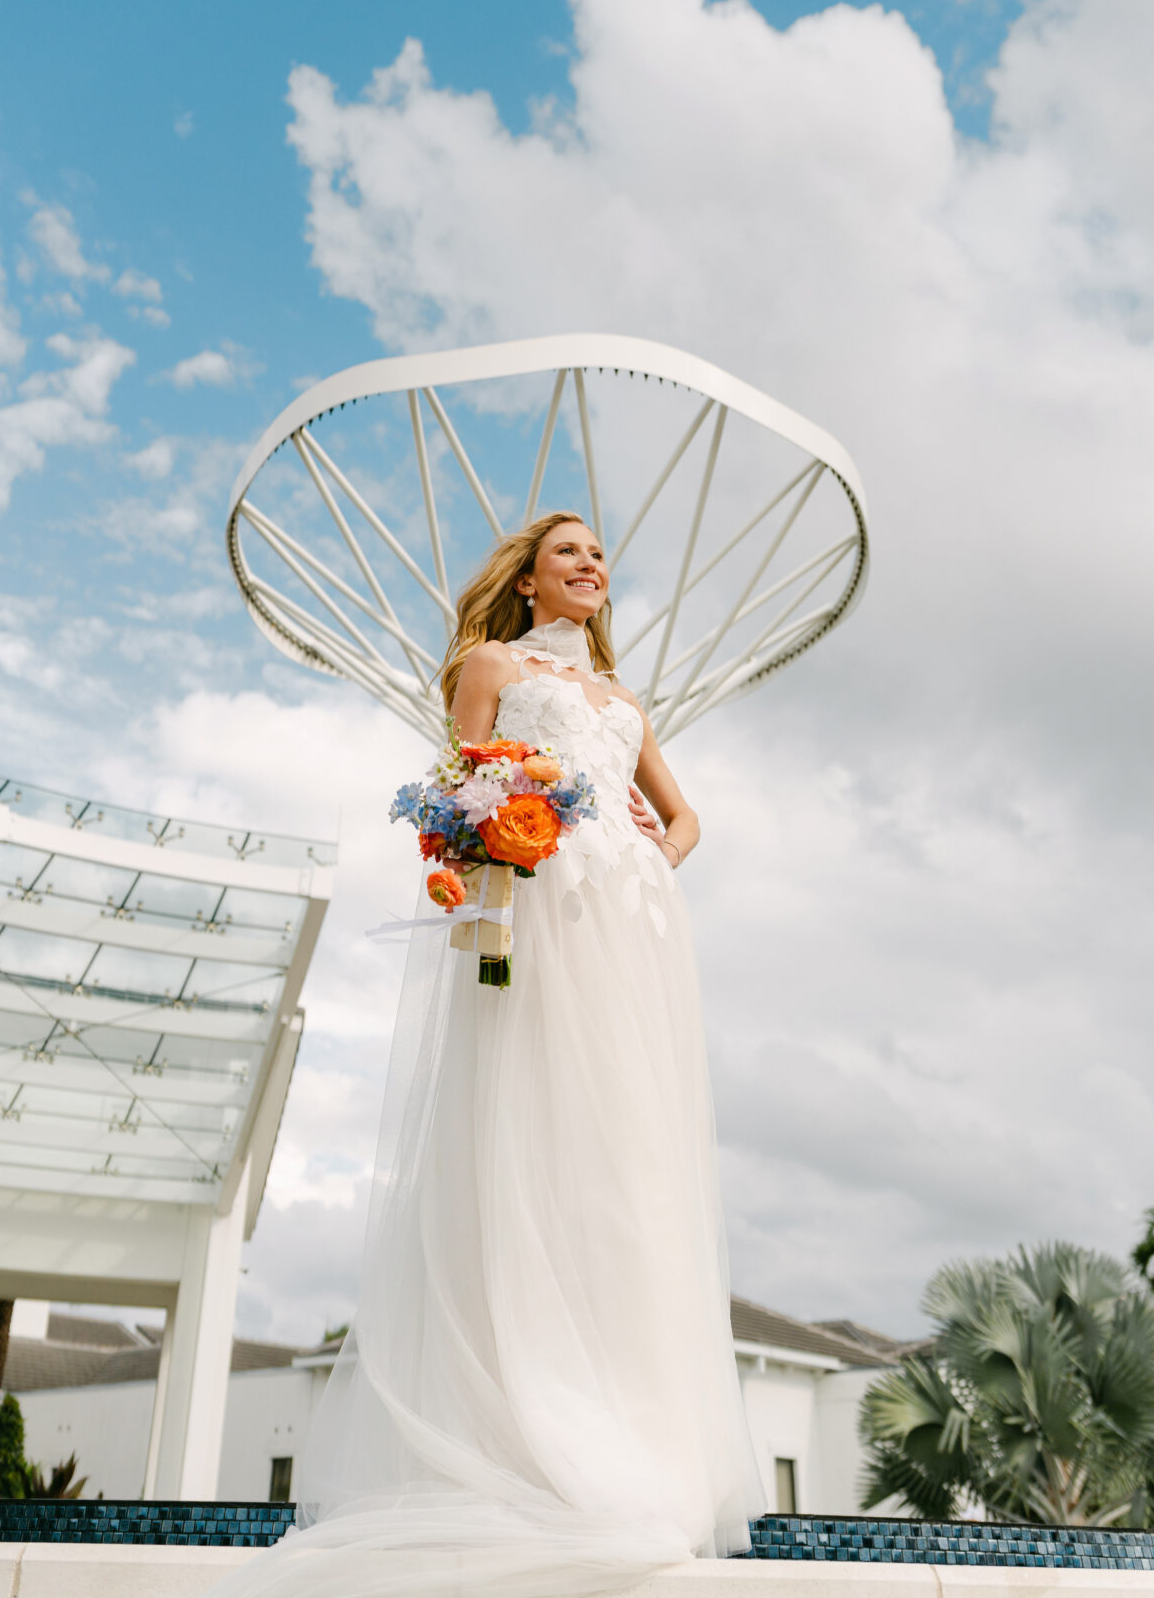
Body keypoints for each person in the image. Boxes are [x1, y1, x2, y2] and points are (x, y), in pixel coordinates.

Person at [207, 512, 765, 1598]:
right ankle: (520, 1438)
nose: (590, 567)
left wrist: (657, 855)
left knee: (623, 1160)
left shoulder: (623, 702)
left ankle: (632, 1446)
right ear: (526, 578)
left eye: (600, 556)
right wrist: (507, 832)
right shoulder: (490, 663)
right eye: (569, 553)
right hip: (541, 909)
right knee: (527, 1132)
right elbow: (459, 788)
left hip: (629, 926)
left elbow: (687, 816)